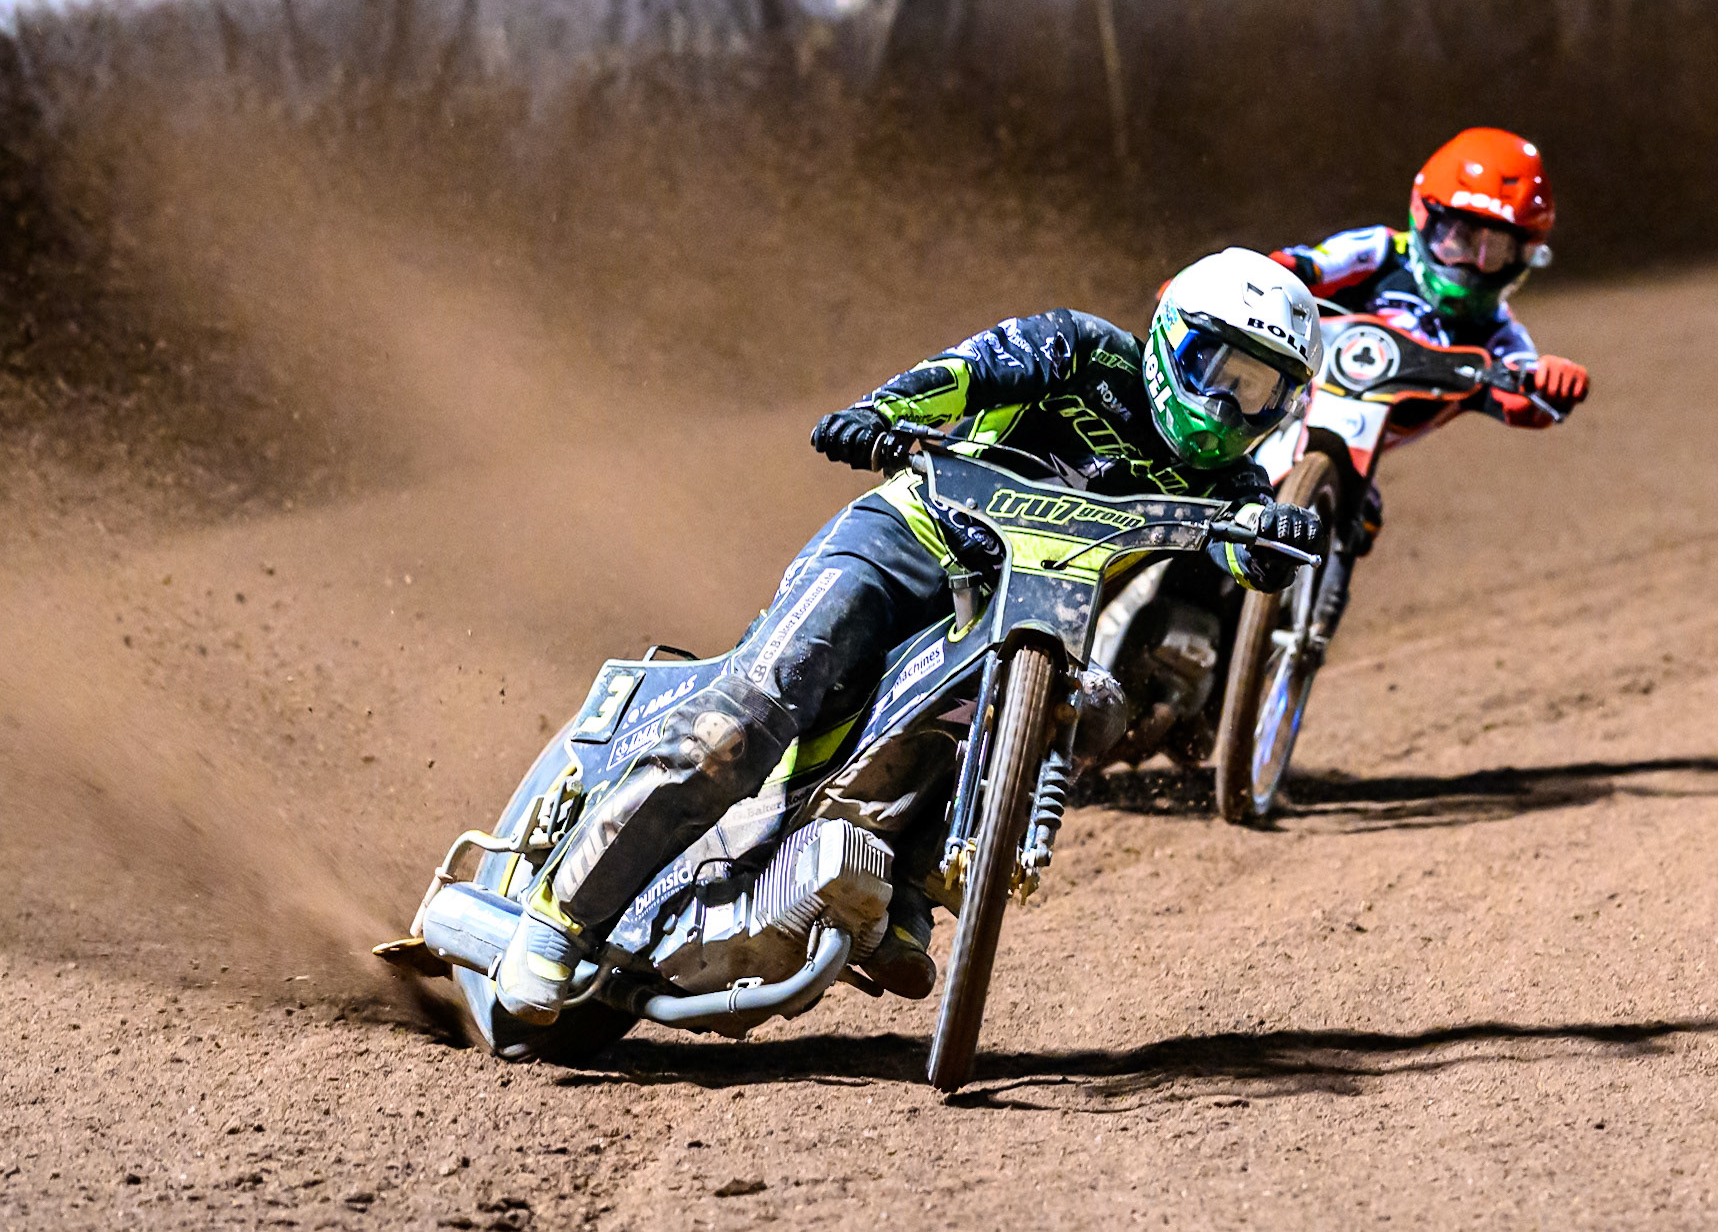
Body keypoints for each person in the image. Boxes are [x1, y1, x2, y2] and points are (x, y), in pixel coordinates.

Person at [493, 248, 1328, 1024]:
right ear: (1173, 341)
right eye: (1221, 373)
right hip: (907, 542)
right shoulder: (1083, 351)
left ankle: (910, 891)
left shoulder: (1232, 481)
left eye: (1259, 391)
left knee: (1093, 710)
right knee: (742, 723)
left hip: (1018, 612)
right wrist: (881, 412)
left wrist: (1277, 540)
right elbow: (967, 373)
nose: (1230, 406)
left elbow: (1246, 545)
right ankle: (560, 919)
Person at [1266, 126, 1592, 623]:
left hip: (1343, 460)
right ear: (1425, 218)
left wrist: (1551, 381)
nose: (1472, 265)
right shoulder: (1378, 251)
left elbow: (1525, 393)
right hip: (1272, 405)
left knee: (1361, 520)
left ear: (1522, 257)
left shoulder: (1500, 336)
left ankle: (1293, 634)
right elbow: (1297, 269)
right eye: (1460, 238)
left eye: (1495, 251)